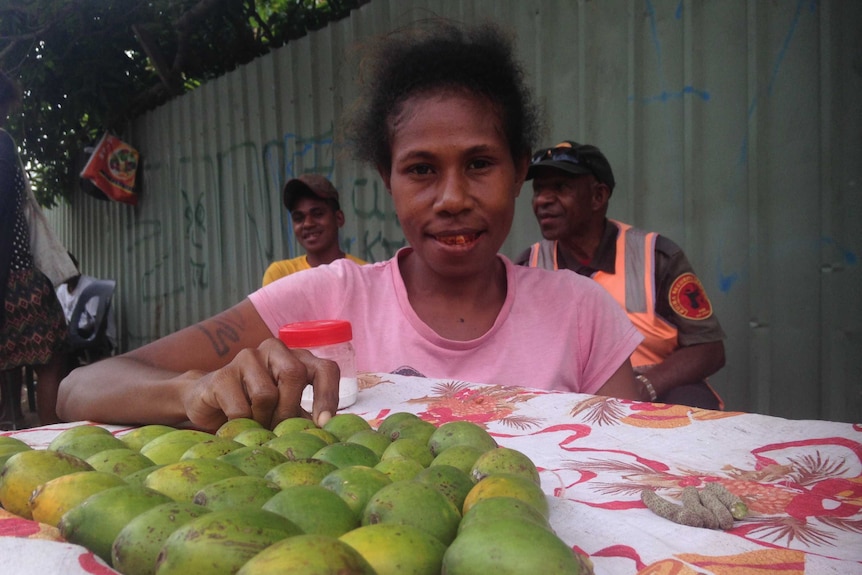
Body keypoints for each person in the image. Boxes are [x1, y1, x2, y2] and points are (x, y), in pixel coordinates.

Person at [57, 20, 643, 432]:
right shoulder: (325, 296)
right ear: (386, 180)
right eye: (420, 170)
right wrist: (195, 389)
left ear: (520, 170)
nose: (453, 198)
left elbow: (638, 454)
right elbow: (81, 388)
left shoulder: (579, 310)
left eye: (480, 164)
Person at [515, 140, 726, 409]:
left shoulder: (655, 257)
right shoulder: (528, 266)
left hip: (655, 391)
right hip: (565, 397)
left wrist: (644, 386)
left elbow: (709, 349)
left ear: (598, 196)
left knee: (692, 408)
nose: (542, 200)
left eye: (560, 187)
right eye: (538, 190)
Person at [0, 69, 77, 426]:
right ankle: (45, 436)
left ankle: (15, 428)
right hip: (15, 277)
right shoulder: (1, 143)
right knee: (51, 353)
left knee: (11, 358)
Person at [262, 174, 366, 286]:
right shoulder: (281, 275)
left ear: (339, 218)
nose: (307, 224)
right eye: (298, 218)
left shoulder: (364, 274)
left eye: (317, 214)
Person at [55, 252, 118, 357]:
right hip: (76, 333)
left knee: (67, 343)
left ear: (75, 266)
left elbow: (98, 322)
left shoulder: (90, 287)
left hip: (100, 336)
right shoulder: (62, 291)